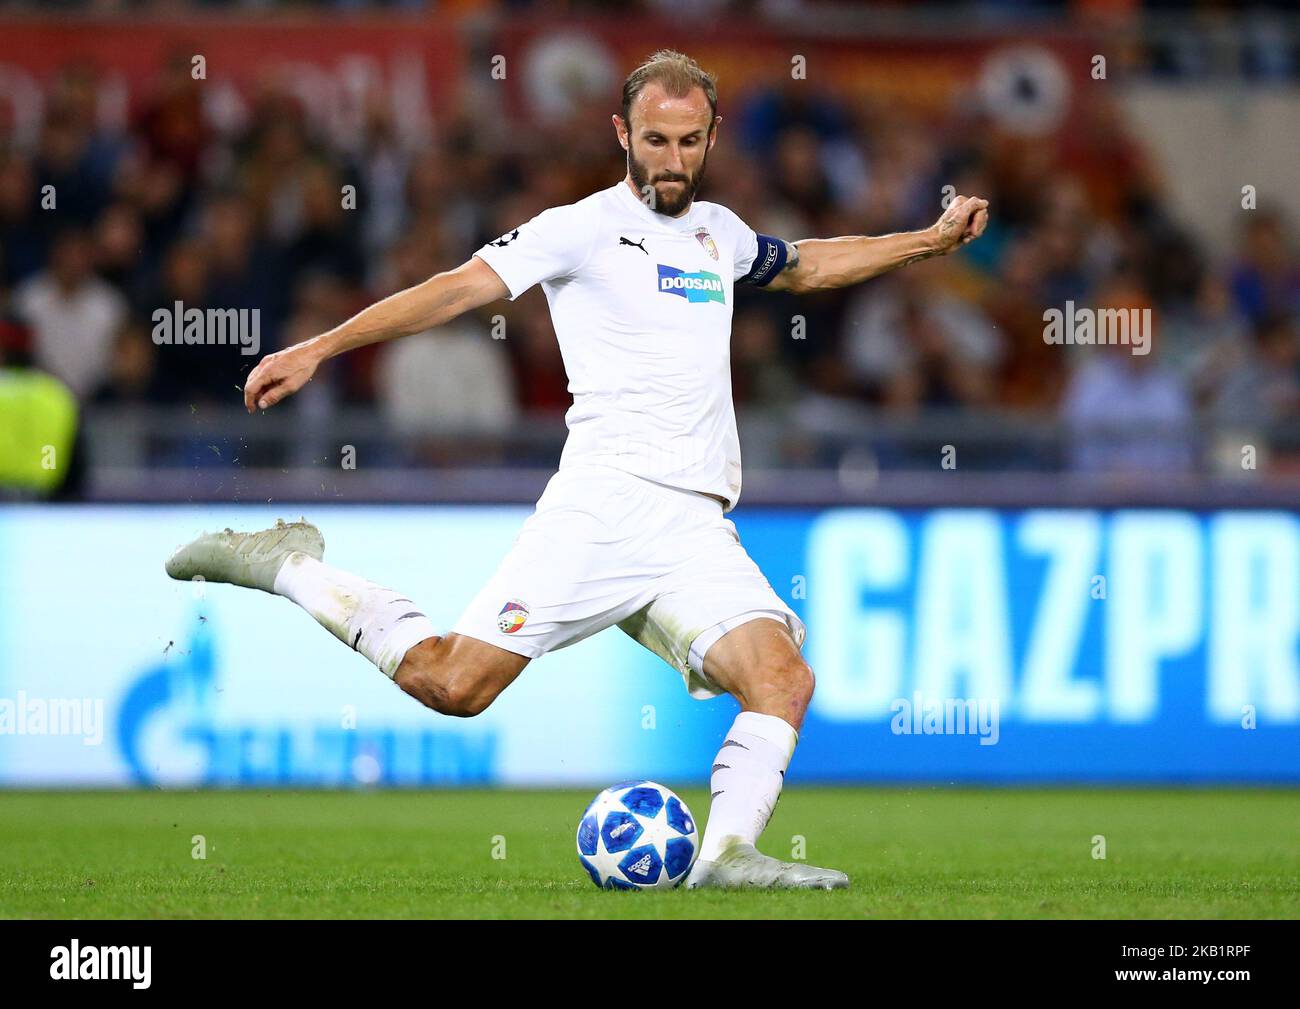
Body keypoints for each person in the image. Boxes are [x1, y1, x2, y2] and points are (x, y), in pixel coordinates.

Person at [166, 50, 988, 889]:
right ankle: (288, 567)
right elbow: (456, 289)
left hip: (695, 521)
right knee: (454, 684)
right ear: (622, 132)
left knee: (782, 678)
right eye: (657, 141)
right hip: (604, 503)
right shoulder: (579, 228)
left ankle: (727, 853)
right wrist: (322, 346)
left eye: (691, 142)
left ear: (710, 137)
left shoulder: (722, 234)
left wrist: (927, 241)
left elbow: (809, 262)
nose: (674, 161)